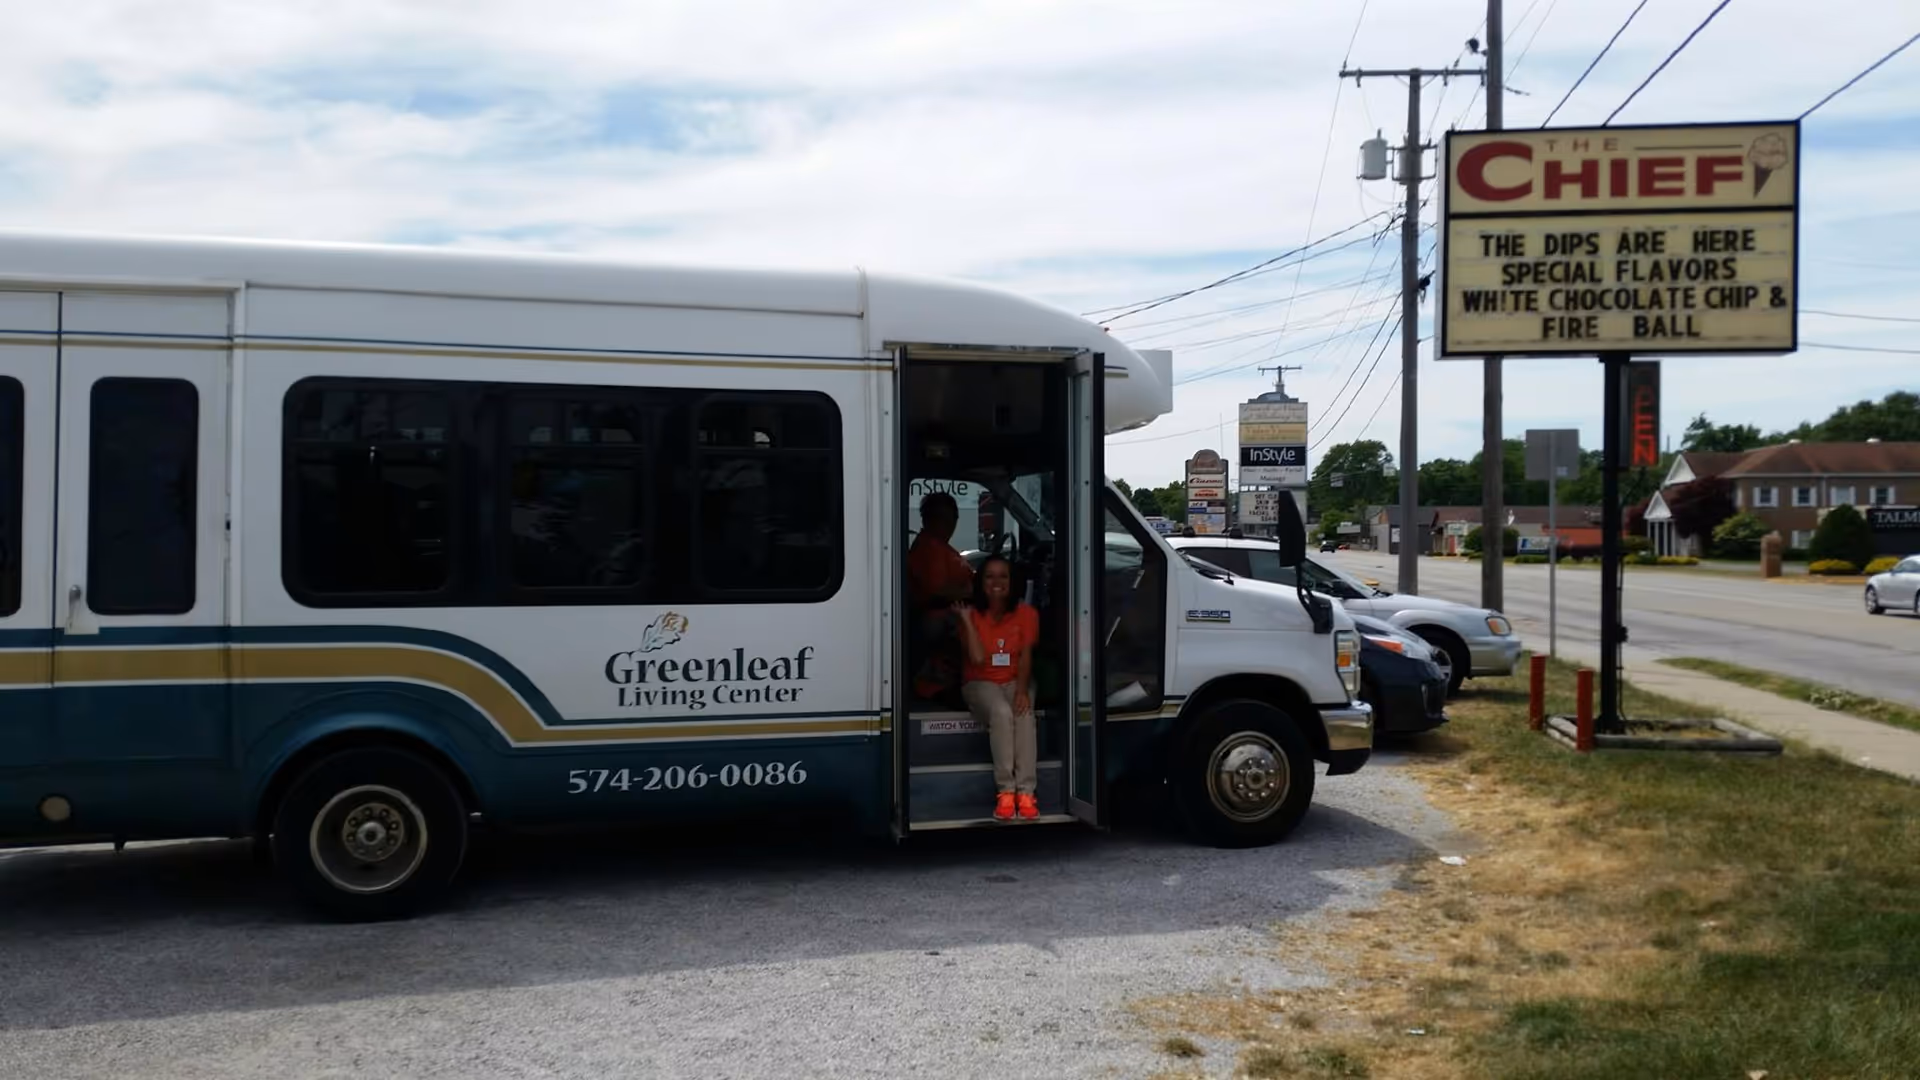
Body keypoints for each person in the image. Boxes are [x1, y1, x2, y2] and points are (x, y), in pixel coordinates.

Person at [953, 555, 1041, 821]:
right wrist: (967, 621)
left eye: (1003, 576)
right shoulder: (970, 614)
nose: (996, 582)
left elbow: (1026, 655)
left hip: (1016, 679)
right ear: (980, 582)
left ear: (1012, 582)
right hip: (981, 682)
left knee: (1023, 714)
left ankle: (1026, 793)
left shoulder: (1027, 613)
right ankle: (1006, 791)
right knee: (1002, 713)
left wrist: (1022, 690)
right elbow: (978, 660)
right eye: (989, 576)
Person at [909, 492, 976, 701]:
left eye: (952, 518)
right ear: (928, 519)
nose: (949, 525)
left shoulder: (939, 546)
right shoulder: (929, 549)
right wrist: (973, 592)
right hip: (935, 615)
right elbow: (936, 590)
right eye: (942, 518)